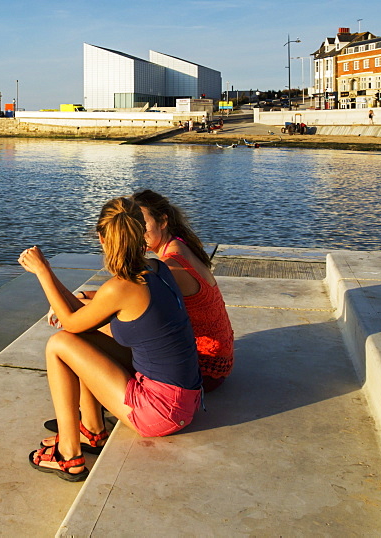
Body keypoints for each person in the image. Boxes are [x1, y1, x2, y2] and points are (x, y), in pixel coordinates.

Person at [18, 197, 202, 482]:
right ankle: (92, 430)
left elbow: (69, 322)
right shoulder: (157, 269)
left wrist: (43, 271)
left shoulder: (121, 287)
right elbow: (82, 320)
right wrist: (62, 288)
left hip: (161, 411)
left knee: (58, 344)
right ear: (140, 231)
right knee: (83, 341)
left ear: (102, 239)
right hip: (185, 400)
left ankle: (69, 455)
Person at [131, 190, 234, 392]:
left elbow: (135, 307)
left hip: (203, 369)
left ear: (162, 221)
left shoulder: (171, 265)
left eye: (142, 224)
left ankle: (92, 417)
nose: (137, 232)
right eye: (132, 225)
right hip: (219, 360)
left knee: (105, 338)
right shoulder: (179, 245)